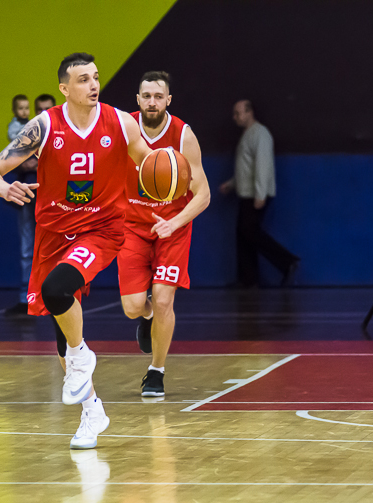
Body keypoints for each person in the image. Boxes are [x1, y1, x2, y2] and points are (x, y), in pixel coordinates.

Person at [0, 53, 152, 449]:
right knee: (60, 332)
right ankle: (92, 410)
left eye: (96, 77)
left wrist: (169, 178)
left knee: (57, 290)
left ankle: (81, 355)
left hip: (100, 230)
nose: (93, 85)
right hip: (54, 234)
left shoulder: (121, 123)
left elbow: (149, 166)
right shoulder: (44, 127)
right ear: (64, 88)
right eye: (83, 79)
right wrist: (5, 188)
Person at [118, 71, 210, 397]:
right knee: (133, 306)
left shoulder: (183, 136)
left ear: (168, 100)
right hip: (132, 226)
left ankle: (156, 370)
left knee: (163, 299)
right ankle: (146, 317)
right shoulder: (124, 128)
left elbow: (203, 194)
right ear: (138, 99)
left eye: (159, 96)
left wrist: (175, 222)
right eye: (147, 96)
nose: (152, 102)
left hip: (172, 227)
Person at [219, 100, 299, 287]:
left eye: (238, 113)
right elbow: (246, 169)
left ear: (249, 112)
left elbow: (263, 166)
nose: (235, 117)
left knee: (249, 231)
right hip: (247, 193)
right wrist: (231, 184)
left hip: (255, 194)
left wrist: (260, 194)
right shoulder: (247, 135)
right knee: (244, 234)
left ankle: (287, 262)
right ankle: (248, 279)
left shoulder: (260, 134)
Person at [4, 95, 56, 316]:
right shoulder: (28, 132)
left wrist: (39, 161)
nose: (43, 113)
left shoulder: (62, 132)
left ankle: (56, 296)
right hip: (28, 192)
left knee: (55, 247)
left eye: (47, 109)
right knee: (27, 249)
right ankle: (25, 299)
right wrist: (25, 163)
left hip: (54, 197)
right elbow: (14, 160)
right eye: (39, 110)